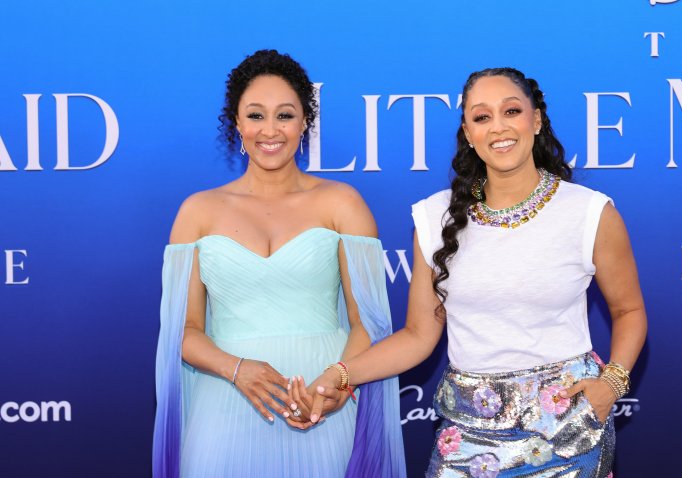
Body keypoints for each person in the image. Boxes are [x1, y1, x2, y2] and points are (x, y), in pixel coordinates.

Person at [306, 67, 647, 477]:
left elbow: (629, 311)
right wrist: (342, 374)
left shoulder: (590, 212)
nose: (498, 127)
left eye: (512, 111)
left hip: (568, 430)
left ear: (536, 120)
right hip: (468, 432)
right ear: (468, 133)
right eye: (482, 117)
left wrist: (611, 383)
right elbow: (418, 336)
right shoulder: (433, 217)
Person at [151, 49, 405, 478]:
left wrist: (337, 384)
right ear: (236, 122)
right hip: (225, 403)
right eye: (255, 115)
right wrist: (236, 370)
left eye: (284, 115)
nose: (270, 130)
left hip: (320, 397)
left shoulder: (342, 203)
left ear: (305, 122)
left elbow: (369, 323)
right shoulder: (197, 211)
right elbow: (183, 331)